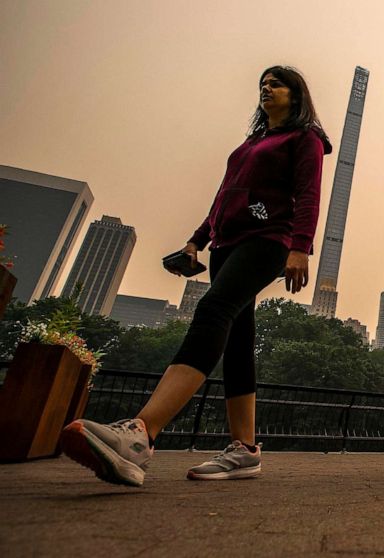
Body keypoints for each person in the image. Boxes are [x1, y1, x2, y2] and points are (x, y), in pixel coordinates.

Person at [60, 66, 332, 486]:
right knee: (238, 339)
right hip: (227, 244)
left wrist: (300, 246)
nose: (266, 88)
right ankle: (245, 450)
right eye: (262, 83)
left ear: (296, 97)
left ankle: (140, 434)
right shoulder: (252, 143)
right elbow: (224, 197)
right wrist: (196, 241)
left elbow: (310, 194)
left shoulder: (305, 138)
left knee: (213, 311)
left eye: (276, 83)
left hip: (268, 238)